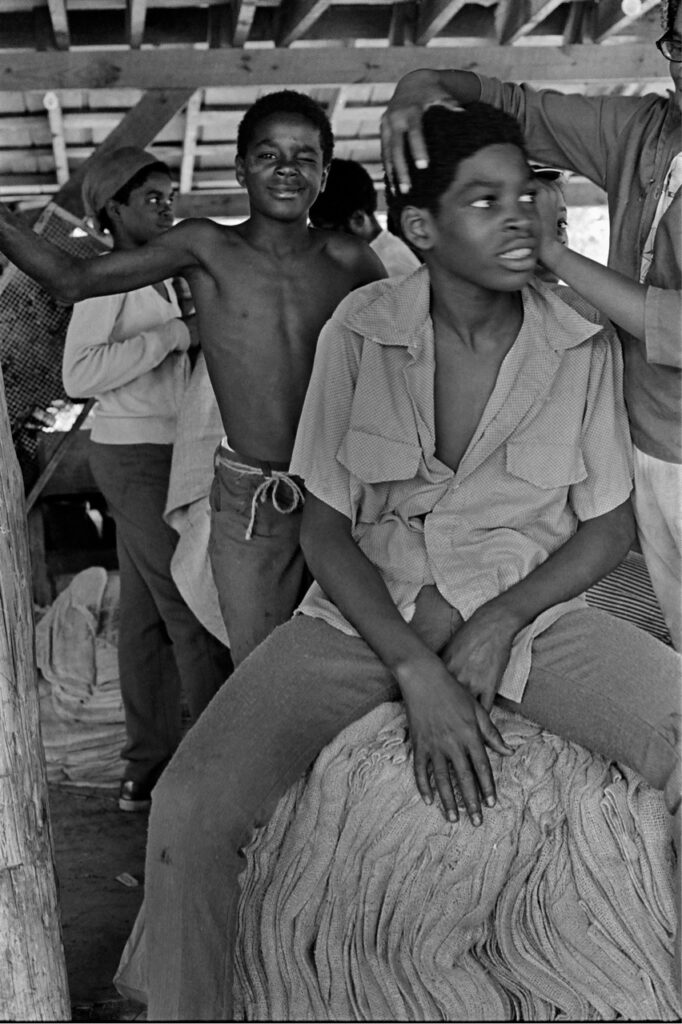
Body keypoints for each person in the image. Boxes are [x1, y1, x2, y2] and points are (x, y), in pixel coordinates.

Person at [135, 102, 681, 1020]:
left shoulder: (579, 340)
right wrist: (416, 672)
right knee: (188, 811)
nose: (518, 217)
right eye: (485, 199)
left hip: (536, 619)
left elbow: (607, 527)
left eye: (524, 195)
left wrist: (500, 622)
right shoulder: (360, 327)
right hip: (359, 621)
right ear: (420, 229)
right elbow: (324, 527)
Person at [0, 90, 386, 666]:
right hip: (251, 496)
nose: (287, 169)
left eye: (304, 158)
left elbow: (401, 363)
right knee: (260, 670)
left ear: (325, 175)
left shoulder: (351, 259)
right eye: (268, 156)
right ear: (240, 168)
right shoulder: (207, 246)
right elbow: (69, 280)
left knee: (347, 666)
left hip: (339, 491)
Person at [380, 0, 682, 649]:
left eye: (512, 199)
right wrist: (422, 85)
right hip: (646, 446)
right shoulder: (645, 131)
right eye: (680, 43)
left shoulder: (567, 322)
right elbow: (516, 108)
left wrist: (551, 252)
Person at [61, 148, 233, 811]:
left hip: (165, 450)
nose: (168, 208)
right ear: (116, 210)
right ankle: (217, 773)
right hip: (136, 456)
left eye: (170, 197)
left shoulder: (160, 276)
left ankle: (147, 768)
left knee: (141, 619)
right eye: (153, 199)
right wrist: (173, 337)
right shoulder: (107, 279)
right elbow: (80, 375)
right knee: (189, 606)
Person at [309, 156, 421, 275]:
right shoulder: (369, 258)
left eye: (329, 231)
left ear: (358, 219)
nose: (323, 242)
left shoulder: (391, 270)